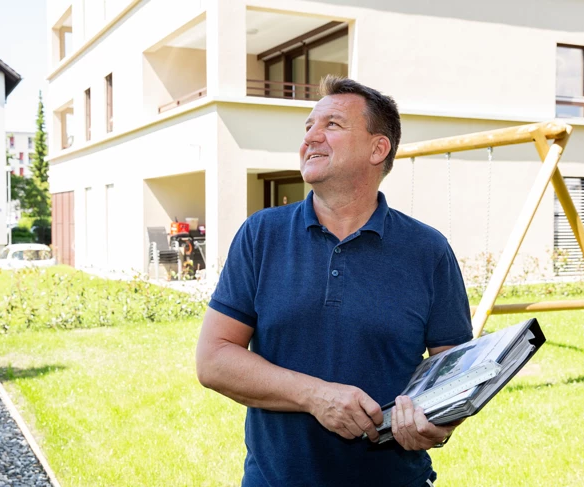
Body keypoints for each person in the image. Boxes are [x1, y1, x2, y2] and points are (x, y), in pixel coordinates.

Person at [196, 76, 472, 487]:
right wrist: (315, 396)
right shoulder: (261, 234)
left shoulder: (428, 251)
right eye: (308, 126)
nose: (311, 137)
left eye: (332, 125)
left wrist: (438, 423)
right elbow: (213, 359)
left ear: (378, 148)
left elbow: (455, 370)